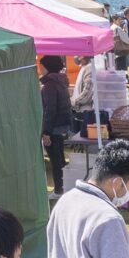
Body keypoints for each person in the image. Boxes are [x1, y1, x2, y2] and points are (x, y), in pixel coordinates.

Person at [35, 60, 75, 195]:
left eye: (41, 66)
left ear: (47, 67)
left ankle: (58, 189)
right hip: (62, 125)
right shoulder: (61, 82)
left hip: (53, 127)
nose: (40, 69)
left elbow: (50, 110)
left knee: (56, 160)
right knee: (60, 159)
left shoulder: (49, 86)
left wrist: (46, 132)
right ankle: (62, 187)